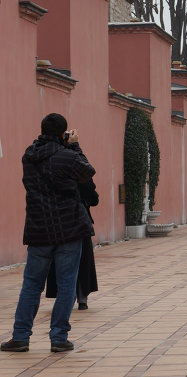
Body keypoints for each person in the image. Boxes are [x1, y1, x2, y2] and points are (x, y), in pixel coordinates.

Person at [3, 114, 96, 353]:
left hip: (38, 229)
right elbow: (87, 172)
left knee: (31, 284)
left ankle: (21, 336)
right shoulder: (68, 156)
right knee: (66, 285)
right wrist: (74, 145)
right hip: (69, 228)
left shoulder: (29, 156)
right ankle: (58, 338)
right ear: (63, 132)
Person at [47, 175, 99, 311]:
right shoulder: (82, 174)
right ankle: (82, 298)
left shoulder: (53, 172)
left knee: (61, 259)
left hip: (59, 222)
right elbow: (94, 200)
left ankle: (64, 297)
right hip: (81, 223)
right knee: (83, 259)